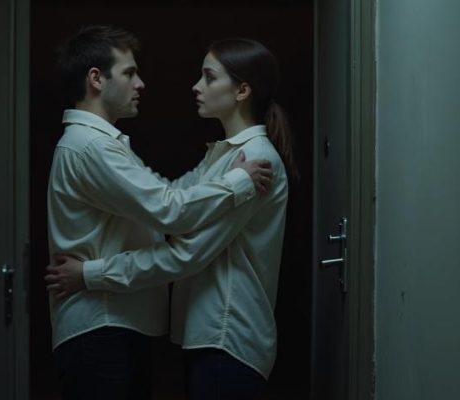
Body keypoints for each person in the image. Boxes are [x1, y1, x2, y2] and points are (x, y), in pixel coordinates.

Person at [46, 38, 298, 400]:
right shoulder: (94, 145)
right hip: (187, 333)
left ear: (242, 90)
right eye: (130, 73)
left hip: (228, 333)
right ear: (96, 79)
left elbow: (183, 239)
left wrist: (89, 273)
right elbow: (172, 205)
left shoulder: (255, 159)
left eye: (209, 77)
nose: (195, 87)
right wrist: (234, 182)